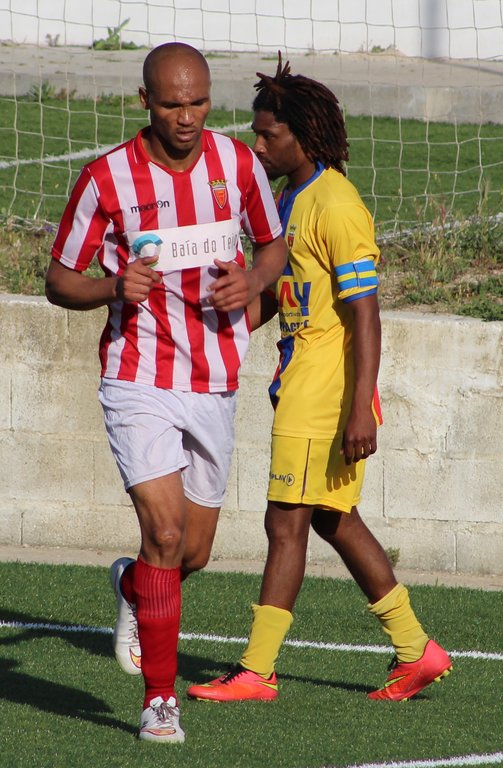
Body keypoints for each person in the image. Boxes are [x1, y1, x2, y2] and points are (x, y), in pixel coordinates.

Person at [187, 54, 452, 705]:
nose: (257, 146)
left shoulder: (335, 204)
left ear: (304, 136)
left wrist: (360, 407)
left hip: (323, 393)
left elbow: (366, 314)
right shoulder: (287, 200)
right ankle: (416, 650)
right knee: (334, 519)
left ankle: (256, 671)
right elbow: (282, 295)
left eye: (268, 135)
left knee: (285, 523)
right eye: (255, 133)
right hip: (300, 383)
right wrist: (218, 327)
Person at [45, 42, 287, 743]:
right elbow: (59, 280)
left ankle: (133, 584)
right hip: (138, 376)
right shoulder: (106, 177)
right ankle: (159, 701)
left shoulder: (237, 165)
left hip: (214, 380)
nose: (187, 117)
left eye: (199, 102)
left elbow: (272, 245)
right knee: (167, 533)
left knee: (192, 553)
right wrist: (110, 287)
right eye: (173, 104)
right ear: (145, 101)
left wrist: (254, 279)